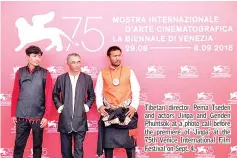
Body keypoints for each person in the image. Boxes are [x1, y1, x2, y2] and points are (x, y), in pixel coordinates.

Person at [95, 46, 140, 158]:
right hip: (109, 114)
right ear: (109, 57)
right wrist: (100, 106)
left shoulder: (129, 71)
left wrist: (134, 106)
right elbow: (98, 91)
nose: (117, 58)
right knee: (108, 148)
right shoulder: (103, 72)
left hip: (126, 113)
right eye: (114, 56)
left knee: (130, 147)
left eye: (119, 55)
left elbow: (136, 89)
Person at [11, 45, 53, 158]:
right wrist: (13, 113)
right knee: (18, 146)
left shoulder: (45, 73)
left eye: (39, 56)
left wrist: (46, 116)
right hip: (21, 116)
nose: (37, 59)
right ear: (28, 57)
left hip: (38, 117)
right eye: (34, 56)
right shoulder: (19, 72)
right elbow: (15, 93)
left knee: (37, 147)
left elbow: (49, 96)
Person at [53, 53, 95, 158]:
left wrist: (87, 106)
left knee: (78, 151)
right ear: (68, 64)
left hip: (80, 121)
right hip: (65, 121)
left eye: (78, 62)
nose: (77, 65)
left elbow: (92, 96)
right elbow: (55, 94)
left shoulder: (87, 78)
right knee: (66, 152)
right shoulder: (61, 78)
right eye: (73, 62)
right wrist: (59, 106)